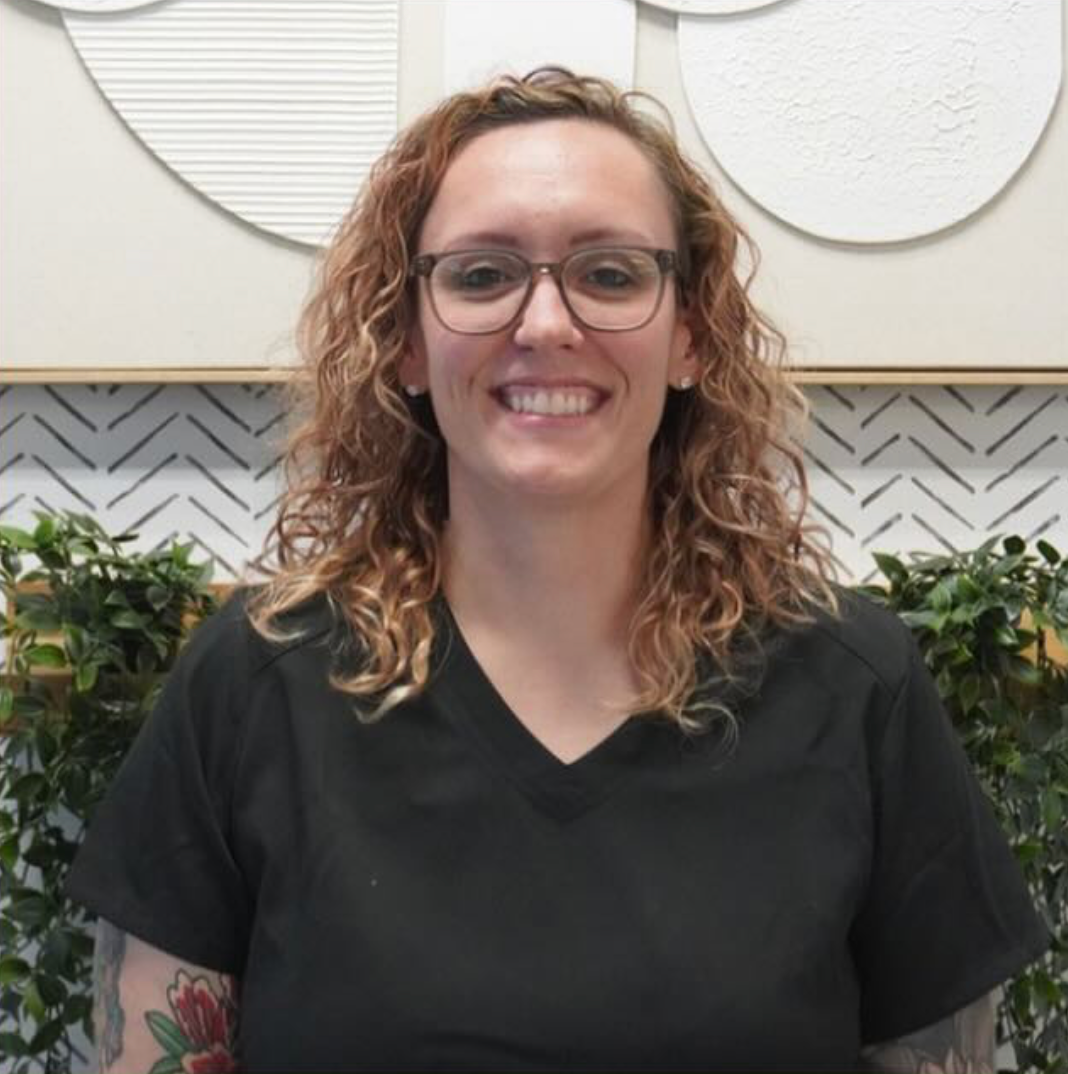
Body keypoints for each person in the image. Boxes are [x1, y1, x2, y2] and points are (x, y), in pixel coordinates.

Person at [67, 68, 1049, 1073]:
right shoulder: (254, 682)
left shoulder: (853, 686)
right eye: (482, 275)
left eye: (611, 274)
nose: (545, 323)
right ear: (405, 341)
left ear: (691, 336)